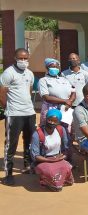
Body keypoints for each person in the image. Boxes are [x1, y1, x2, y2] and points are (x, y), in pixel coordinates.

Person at [0, 48, 36, 185]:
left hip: (29, 113)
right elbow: (2, 93)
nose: (23, 61)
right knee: (11, 144)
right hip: (14, 114)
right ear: (15, 58)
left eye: (25, 58)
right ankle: (8, 173)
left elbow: (30, 90)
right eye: (20, 58)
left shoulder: (30, 73)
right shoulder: (8, 73)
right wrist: (7, 108)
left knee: (29, 140)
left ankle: (27, 165)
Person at [30, 109, 73, 191]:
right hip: (43, 160)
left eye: (55, 121)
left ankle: (55, 182)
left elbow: (67, 147)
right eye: (50, 120)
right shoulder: (37, 134)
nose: (52, 123)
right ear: (46, 119)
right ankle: (45, 181)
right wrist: (50, 160)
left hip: (57, 158)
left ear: (58, 122)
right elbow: (35, 156)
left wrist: (63, 156)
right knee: (50, 171)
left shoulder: (61, 130)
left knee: (67, 168)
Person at [38, 58, 76, 126]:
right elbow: (46, 97)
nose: (55, 68)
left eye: (56, 67)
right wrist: (65, 101)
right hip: (51, 109)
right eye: (52, 67)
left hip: (65, 109)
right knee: (51, 130)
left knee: (66, 131)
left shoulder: (64, 79)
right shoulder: (43, 80)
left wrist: (69, 102)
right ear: (47, 68)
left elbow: (73, 92)